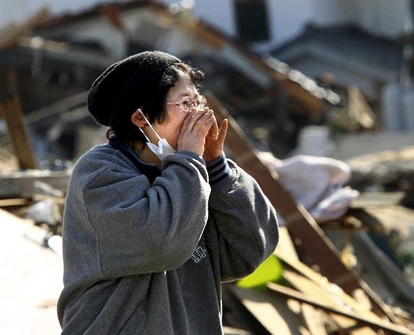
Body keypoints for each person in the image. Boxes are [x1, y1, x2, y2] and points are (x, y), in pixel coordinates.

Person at [57, 50, 279, 334]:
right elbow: (163, 244)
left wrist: (218, 170)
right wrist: (189, 162)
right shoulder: (100, 173)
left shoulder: (193, 174)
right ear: (140, 118)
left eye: (198, 101)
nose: (199, 114)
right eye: (185, 103)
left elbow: (249, 252)